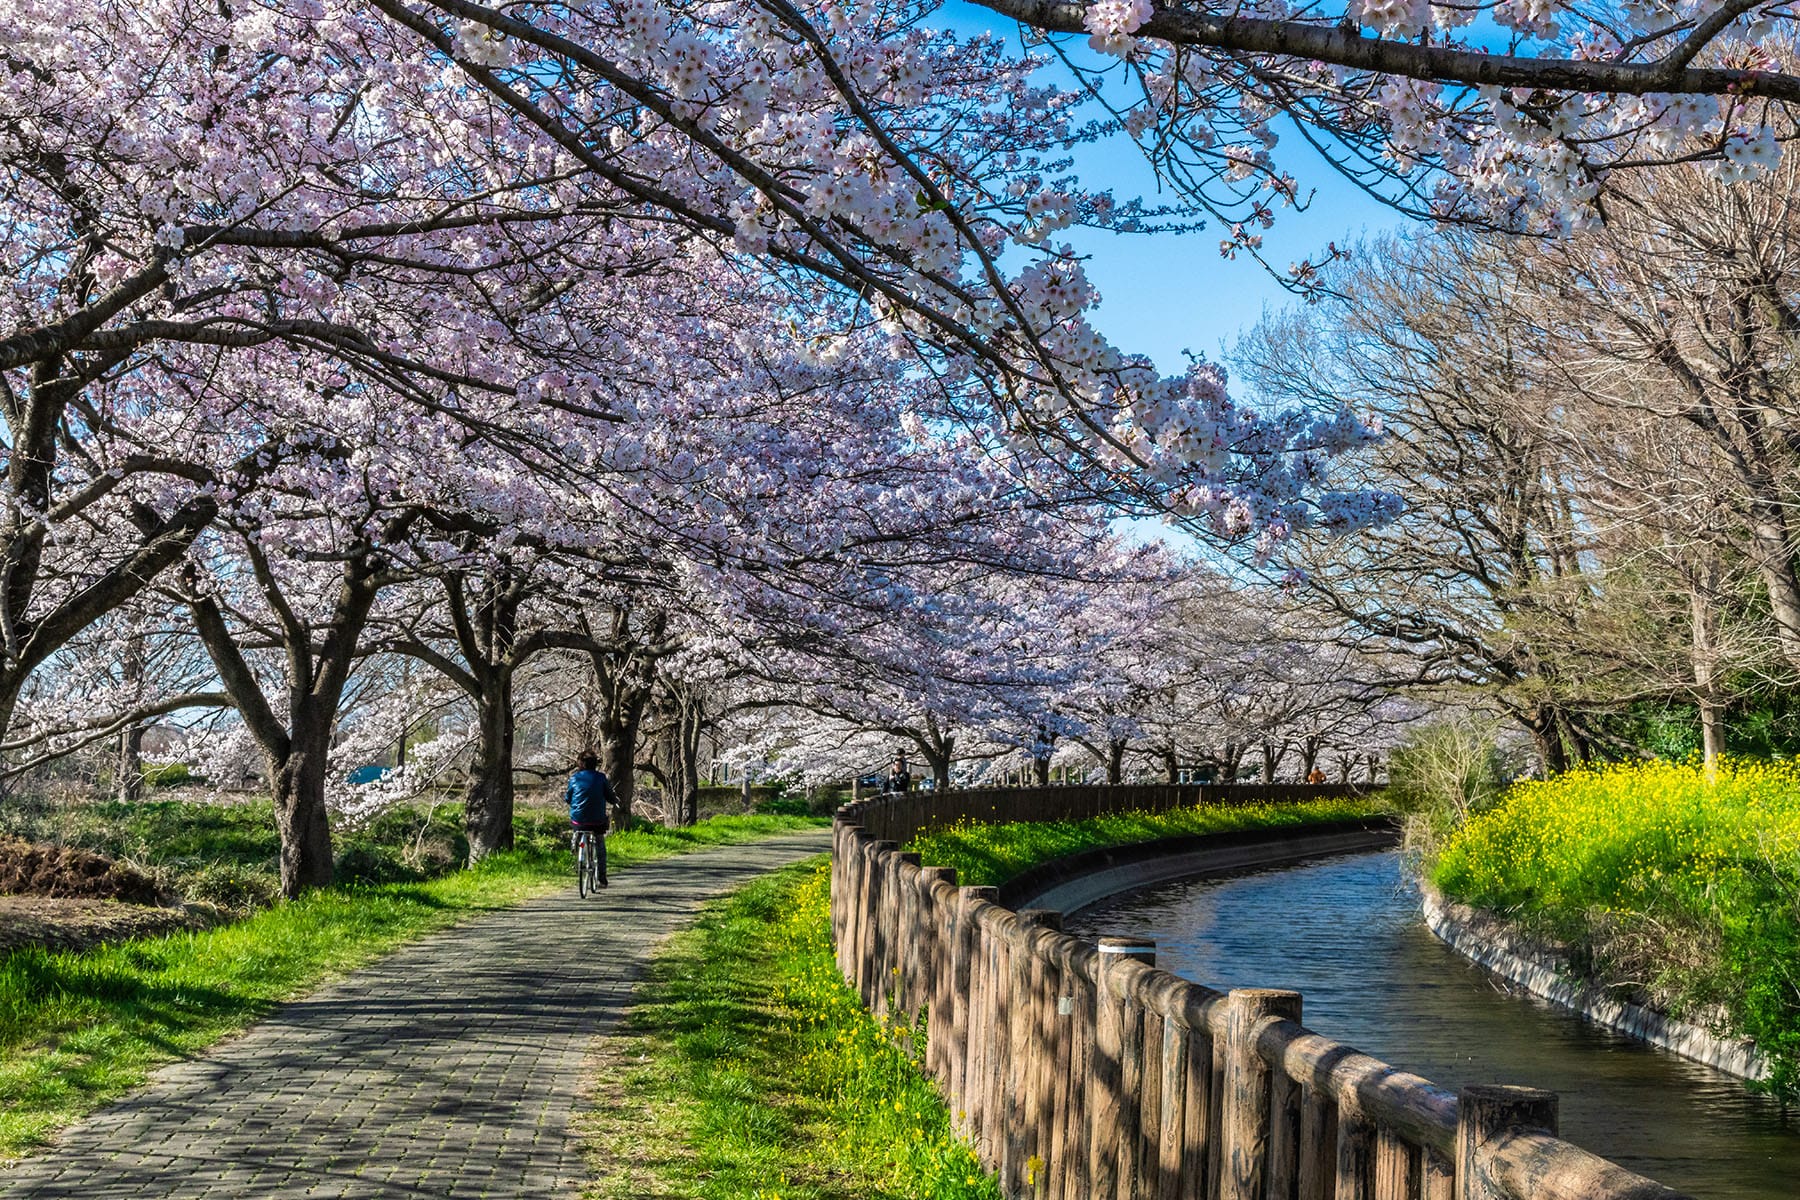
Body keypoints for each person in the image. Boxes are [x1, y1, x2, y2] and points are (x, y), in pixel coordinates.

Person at [567, 752, 614, 887]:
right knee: (600, 843)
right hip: (597, 821)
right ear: (595, 764)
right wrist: (614, 800)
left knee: (577, 826)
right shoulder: (601, 778)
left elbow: (568, 798)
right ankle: (602, 879)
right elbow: (609, 796)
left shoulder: (574, 778)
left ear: (580, 763)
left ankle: (576, 844)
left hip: (578, 820)